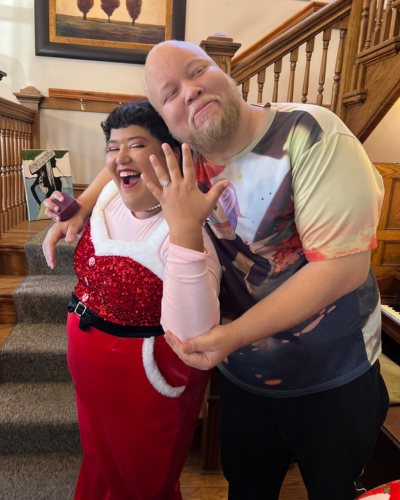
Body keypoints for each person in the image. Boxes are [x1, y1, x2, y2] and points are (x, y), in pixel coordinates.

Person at [44, 41, 389, 500]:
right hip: (244, 376)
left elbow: (342, 270)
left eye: (197, 71)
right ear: (166, 123)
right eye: (170, 94)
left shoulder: (312, 133)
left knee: (333, 489)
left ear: (227, 74)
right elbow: (125, 156)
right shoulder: (184, 152)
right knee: (246, 487)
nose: (189, 91)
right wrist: (82, 204)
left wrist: (232, 335)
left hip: (332, 373)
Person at [45, 101, 224, 500]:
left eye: (137, 145)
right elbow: (112, 175)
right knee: (98, 460)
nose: (120, 157)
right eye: (112, 147)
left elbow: (195, 334)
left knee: (141, 477)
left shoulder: (185, 234)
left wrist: (185, 233)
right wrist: (75, 208)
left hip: (144, 382)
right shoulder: (109, 193)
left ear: (170, 154)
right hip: (88, 366)